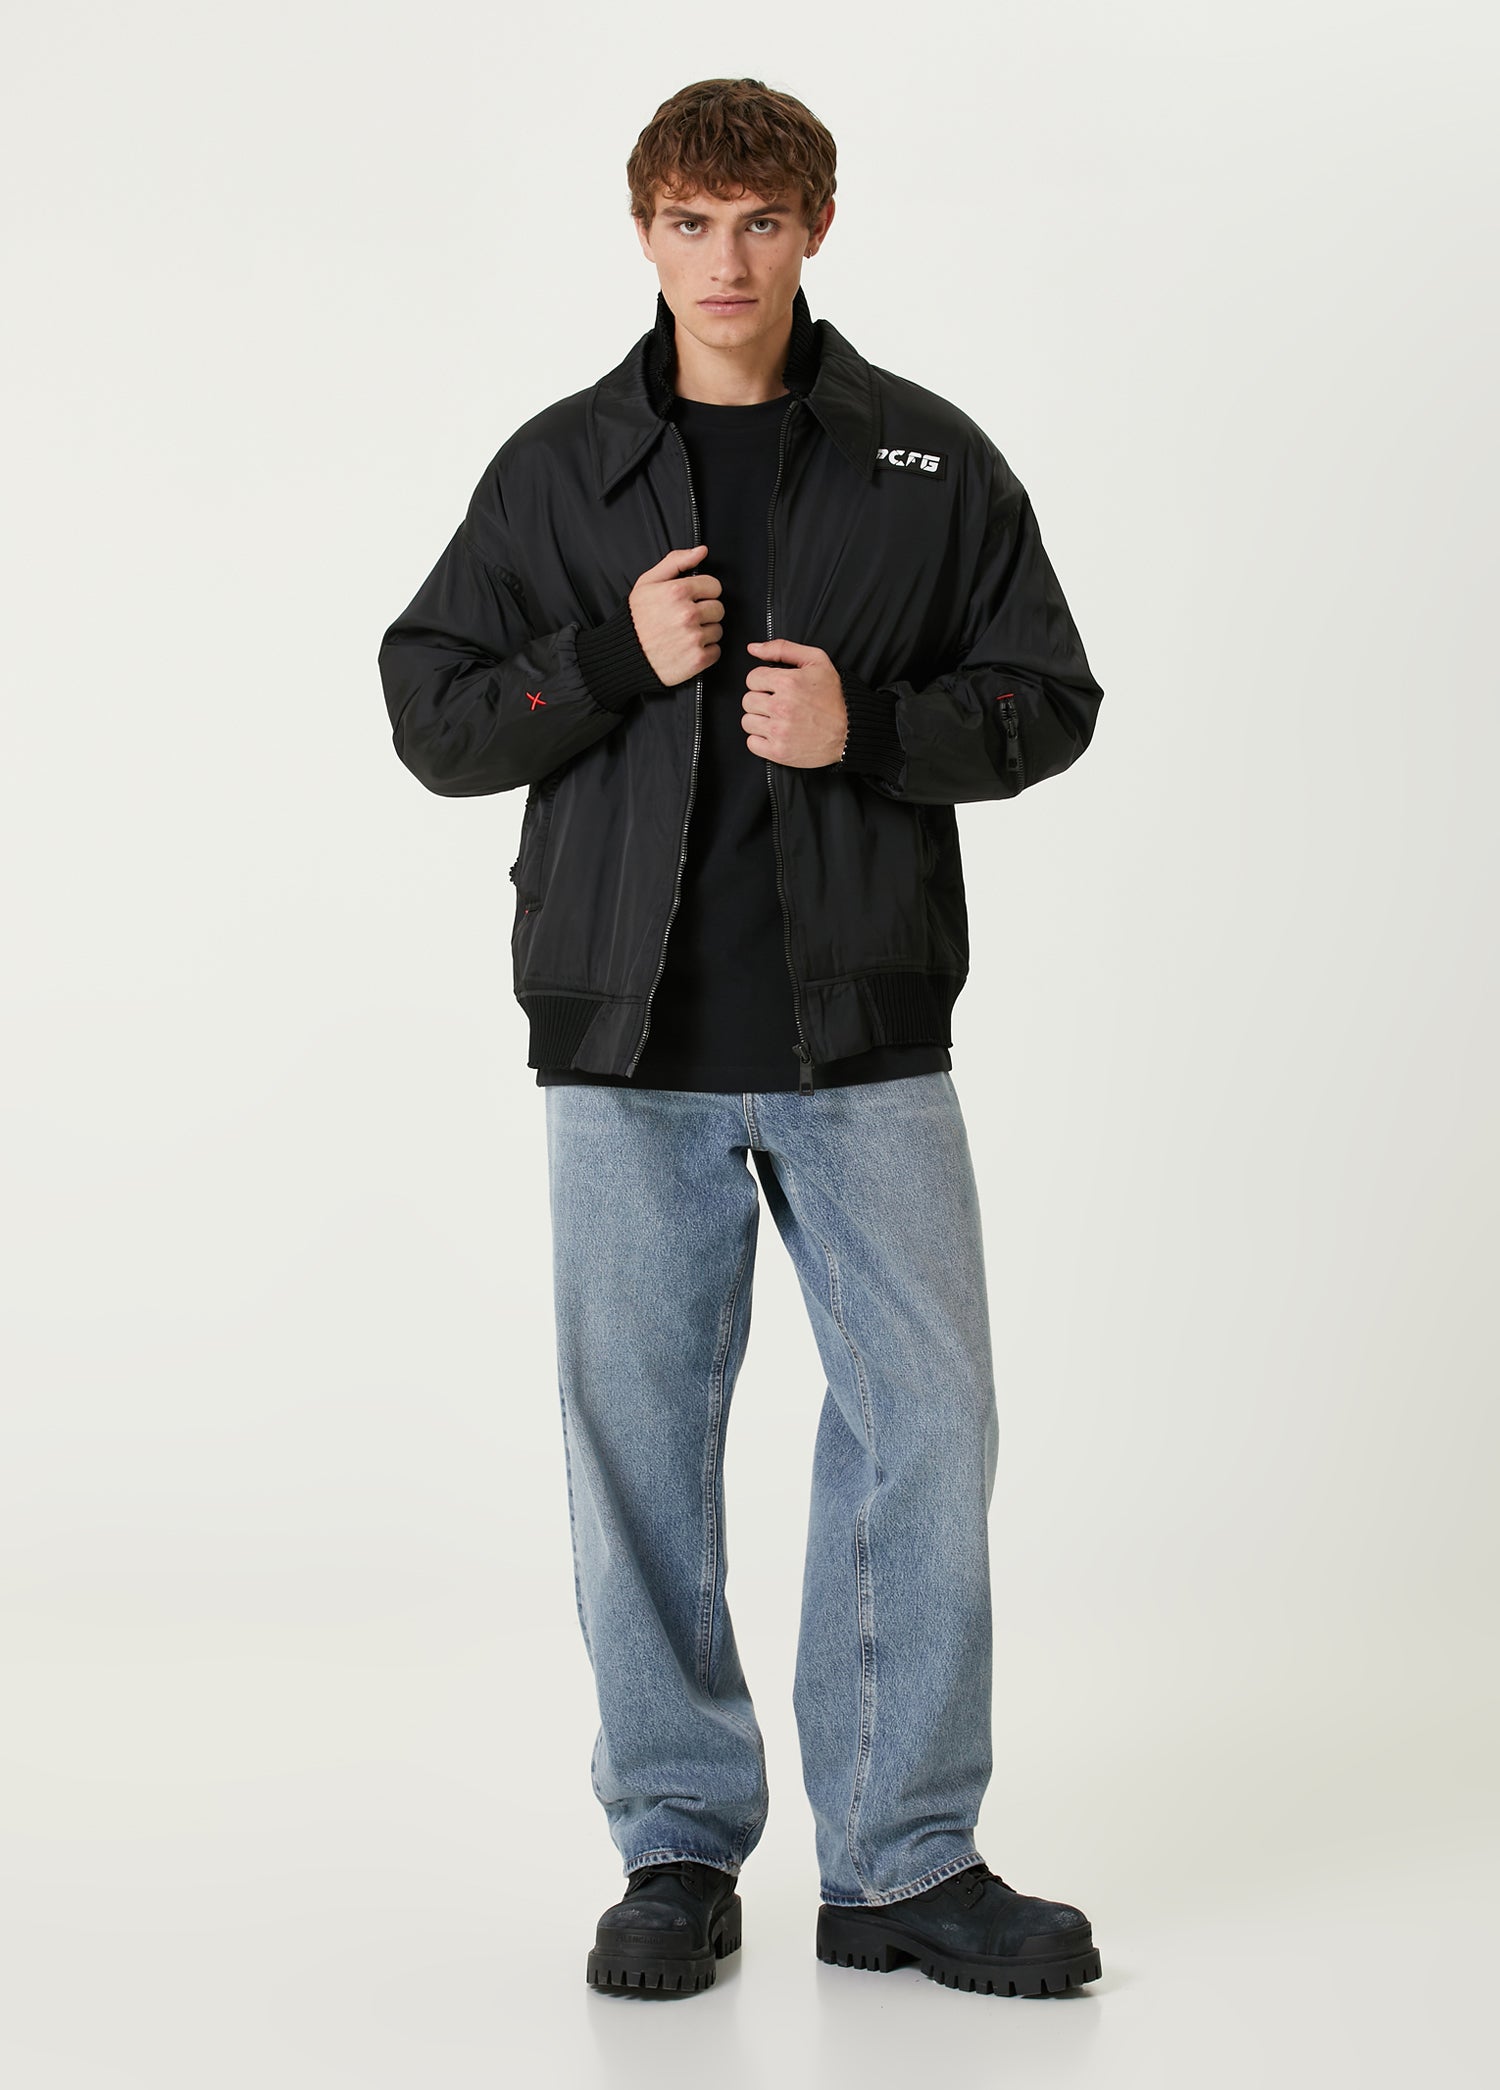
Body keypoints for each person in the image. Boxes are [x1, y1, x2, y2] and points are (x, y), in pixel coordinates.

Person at [377, 76, 1106, 2001]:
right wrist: (609, 661)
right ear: (646, 233)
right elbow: (433, 710)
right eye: (692, 222)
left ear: (816, 229)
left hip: (866, 1038)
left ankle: (901, 1858)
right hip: (623, 1053)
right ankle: (678, 1848)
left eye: (761, 222)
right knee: (638, 1452)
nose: (726, 259)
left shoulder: (926, 461)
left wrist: (872, 729)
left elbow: (1049, 695)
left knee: (927, 1423)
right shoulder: (561, 469)